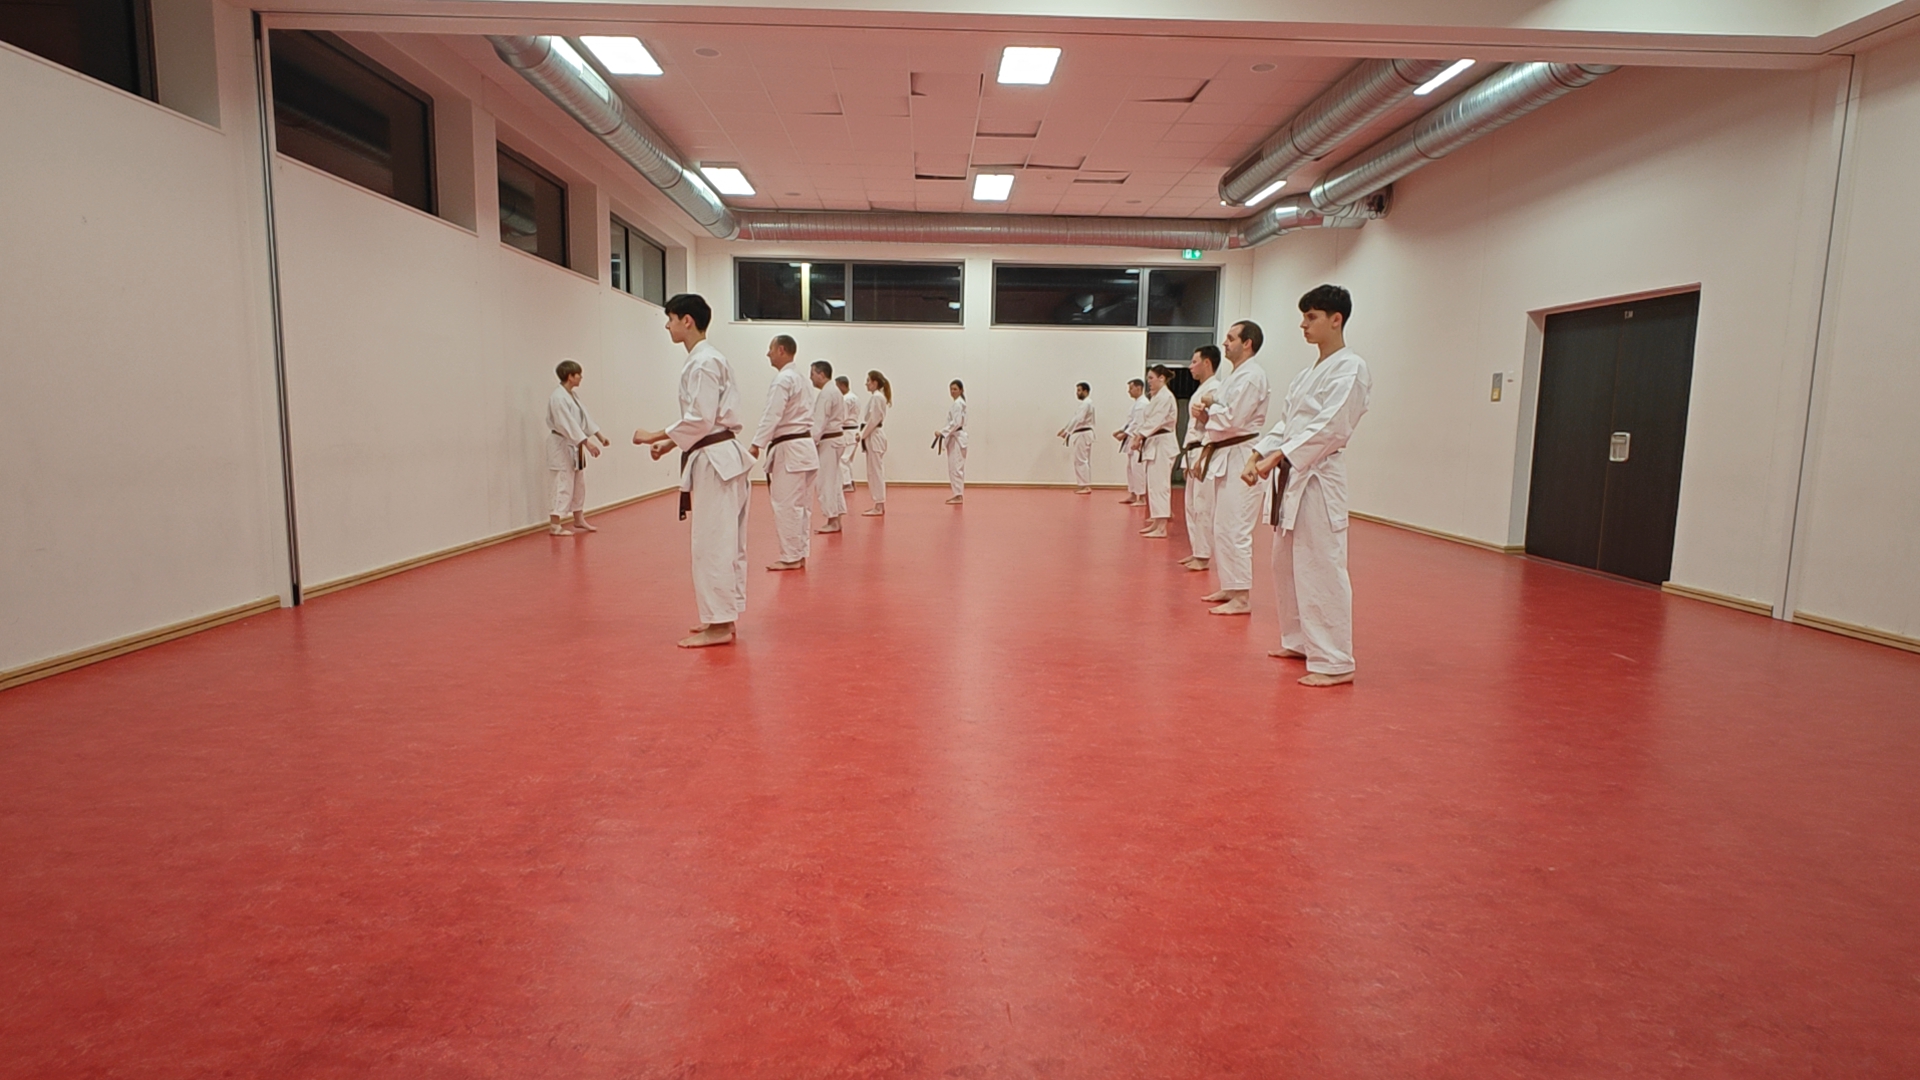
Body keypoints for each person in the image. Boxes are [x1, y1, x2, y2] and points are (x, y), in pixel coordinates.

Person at [1246, 285, 1372, 687]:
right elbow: (1287, 423)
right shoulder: (1306, 375)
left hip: (1318, 478)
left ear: (1336, 319)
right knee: (1286, 563)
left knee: (1320, 565)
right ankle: (1299, 640)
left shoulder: (1351, 367)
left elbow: (1332, 427)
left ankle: (1335, 660)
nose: (1303, 324)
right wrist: (1260, 451)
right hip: (1293, 476)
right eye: (1303, 316)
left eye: (1312, 316)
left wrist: (1278, 457)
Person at [631, 294, 752, 648]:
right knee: (722, 542)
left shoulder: (703, 363)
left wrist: (656, 433)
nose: (667, 326)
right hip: (719, 456)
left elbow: (700, 417)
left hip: (717, 462)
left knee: (713, 543)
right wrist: (671, 443)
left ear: (687, 320)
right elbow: (706, 420)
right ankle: (721, 617)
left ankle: (719, 623)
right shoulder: (708, 360)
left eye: (669, 319)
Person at [1191, 320, 1271, 616]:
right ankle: (1231, 585)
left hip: (1242, 454)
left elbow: (1232, 419)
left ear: (1247, 343)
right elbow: (1221, 414)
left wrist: (1210, 409)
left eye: (1230, 338)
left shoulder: (1252, 377)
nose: (1225, 343)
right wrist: (1207, 408)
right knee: (1221, 524)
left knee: (1236, 526)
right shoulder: (1235, 377)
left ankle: (1242, 597)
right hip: (1225, 452)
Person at [747, 334, 818, 571]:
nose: (767, 354)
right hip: (805, 448)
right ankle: (799, 553)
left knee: (786, 505)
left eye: (770, 349)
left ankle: (790, 556)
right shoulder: (803, 380)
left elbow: (773, 414)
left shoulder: (783, 379)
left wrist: (757, 443)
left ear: (781, 350)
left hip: (790, 450)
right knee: (802, 506)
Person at [546, 360, 609, 536]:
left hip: (575, 444)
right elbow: (567, 425)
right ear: (569, 376)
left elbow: (584, 419)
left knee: (578, 482)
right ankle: (555, 524)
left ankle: (578, 518)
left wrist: (599, 436)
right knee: (562, 481)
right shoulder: (558, 398)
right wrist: (586, 443)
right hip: (562, 444)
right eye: (578, 374)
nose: (581, 377)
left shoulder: (572, 396)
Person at [1178, 346, 1223, 572]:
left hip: (1204, 450)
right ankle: (1197, 550)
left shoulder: (1216, 389)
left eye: (1194, 361)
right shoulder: (1202, 389)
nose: (1190, 366)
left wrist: (1204, 415)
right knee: (1192, 504)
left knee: (1203, 504)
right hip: (1193, 450)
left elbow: (1215, 426)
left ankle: (1203, 555)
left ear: (1207, 363)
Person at [1133, 364, 1179, 539]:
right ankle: (1156, 521)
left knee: (1160, 485)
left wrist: (1139, 436)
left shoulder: (1166, 397)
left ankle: (1162, 527)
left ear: (1162, 378)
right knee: (1153, 485)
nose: (1148, 382)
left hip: (1163, 443)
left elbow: (1156, 420)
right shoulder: (1157, 397)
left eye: (1151, 378)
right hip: (1154, 443)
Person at [810, 361, 848, 532]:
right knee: (834, 481)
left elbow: (819, 422)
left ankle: (832, 520)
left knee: (825, 481)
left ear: (821, 374)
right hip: (836, 440)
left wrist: (811, 441)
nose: (811, 377)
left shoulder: (827, 393)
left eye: (812, 373)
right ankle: (836, 519)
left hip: (829, 441)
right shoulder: (835, 391)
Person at [860, 370, 891, 516]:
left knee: (876, 472)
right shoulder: (877, 397)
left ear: (875, 383)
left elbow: (874, 420)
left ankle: (879, 505)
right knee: (873, 471)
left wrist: (861, 435)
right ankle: (878, 503)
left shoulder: (877, 397)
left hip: (875, 435)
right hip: (872, 435)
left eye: (868, 381)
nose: (866, 383)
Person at [1056, 382, 1095, 493]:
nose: (1077, 393)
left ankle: (1085, 486)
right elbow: (1075, 419)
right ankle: (1084, 485)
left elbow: (1079, 419)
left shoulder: (1086, 404)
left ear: (1086, 391)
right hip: (1082, 433)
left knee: (1081, 460)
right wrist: (1066, 429)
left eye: (1079, 390)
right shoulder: (1086, 404)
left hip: (1083, 433)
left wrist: (1067, 431)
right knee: (1081, 460)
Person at [1115, 378, 1146, 505]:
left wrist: (1124, 434)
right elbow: (1130, 421)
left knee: (1137, 468)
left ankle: (1142, 497)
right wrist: (1121, 430)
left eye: (1131, 388)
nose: (1129, 391)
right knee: (1130, 468)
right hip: (1131, 438)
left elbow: (1137, 423)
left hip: (1137, 439)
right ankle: (1133, 494)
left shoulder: (1143, 404)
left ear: (1138, 388)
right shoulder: (1136, 404)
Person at [937, 379, 967, 503]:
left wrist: (942, 432)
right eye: (951, 389)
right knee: (955, 467)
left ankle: (958, 495)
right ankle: (957, 493)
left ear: (961, 390)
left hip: (957, 438)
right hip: (956, 436)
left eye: (955, 389)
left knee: (956, 467)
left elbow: (956, 423)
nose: (952, 391)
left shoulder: (958, 404)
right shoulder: (958, 403)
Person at [836, 375, 860, 492]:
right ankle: (850, 481)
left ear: (842, 385)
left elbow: (843, 417)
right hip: (854, 430)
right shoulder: (855, 397)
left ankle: (846, 484)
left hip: (847, 430)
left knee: (843, 459)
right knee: (848, 459)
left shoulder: (845, 399)